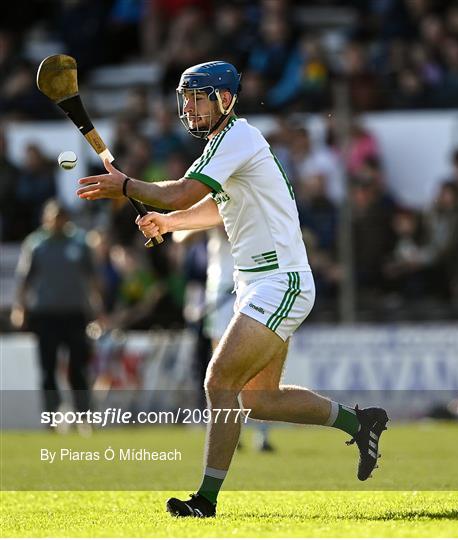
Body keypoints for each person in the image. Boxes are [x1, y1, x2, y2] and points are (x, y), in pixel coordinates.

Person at [76, 61, 389, 518]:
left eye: (197, 97)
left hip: (279, 281)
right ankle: (361, 422)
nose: (188, 107)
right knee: (260, 400)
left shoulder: (238, 137)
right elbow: (212, 208)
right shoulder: (225, 146)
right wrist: (167, 220)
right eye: (184, 98)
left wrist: (126, 186)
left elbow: (181, 191)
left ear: (224, 99)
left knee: (218, 381)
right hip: (256, 284)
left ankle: (205, 501)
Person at [11, 199, 102, 418]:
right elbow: (24, 280)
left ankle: (84, 415)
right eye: (53, 217)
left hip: (75, 313)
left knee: (78, 368)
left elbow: (92, 279)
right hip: (45, 314)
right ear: (46, 218)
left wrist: (98, 310)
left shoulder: (80, 243)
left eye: (61, 217)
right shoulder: (36, 244)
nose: (57, 221)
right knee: (48, 369)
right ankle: (52, 416)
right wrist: (20, 309)